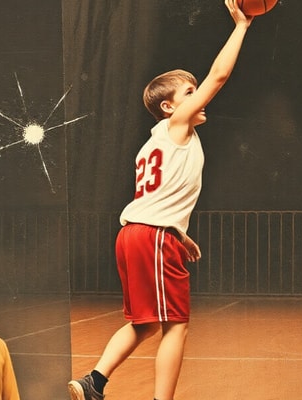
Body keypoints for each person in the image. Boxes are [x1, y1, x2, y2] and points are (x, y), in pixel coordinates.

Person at [67, 2, 253, 399]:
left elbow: (157, 198)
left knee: (145, 322)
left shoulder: (152, 144)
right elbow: (219, 76)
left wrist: (177, 234)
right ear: (170, 106)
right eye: (189, 92)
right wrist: (241, 26)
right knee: (176, 324)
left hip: (139, 234)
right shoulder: (176, 125)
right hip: (151, 237)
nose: (197, 95)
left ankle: (93, 381)